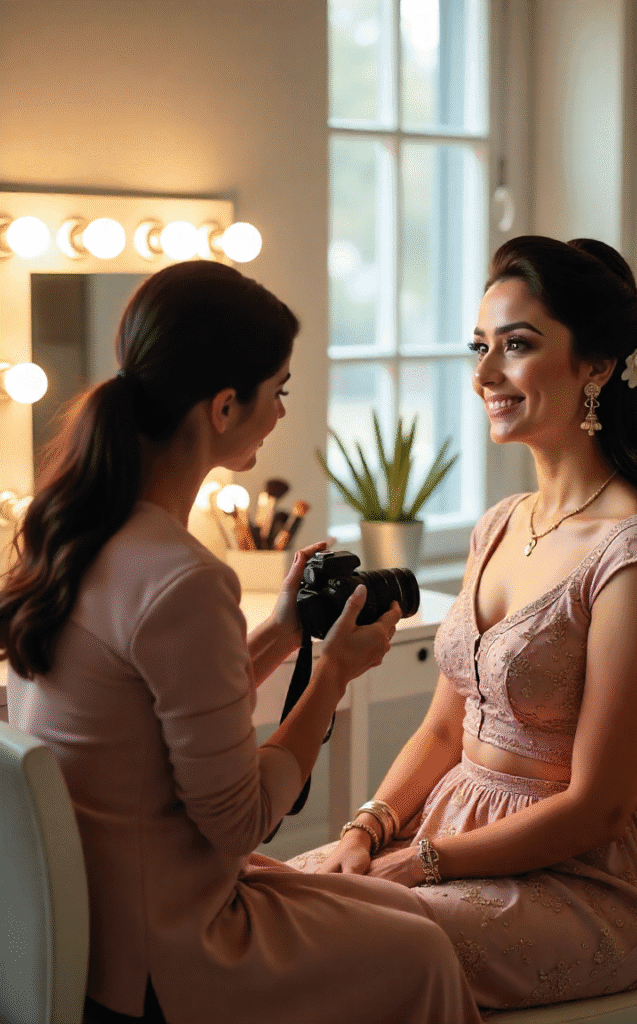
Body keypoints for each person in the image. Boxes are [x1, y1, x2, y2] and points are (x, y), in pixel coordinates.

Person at [0, 261, 483, 1024]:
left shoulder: (71, 532)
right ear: (225, 406)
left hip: (96, 921)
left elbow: (154, 706)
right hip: (163, 949)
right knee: (423, 951)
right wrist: (330, 677)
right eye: (280, 390)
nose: (284, 411)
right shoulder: (184, 579)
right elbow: (240, 818)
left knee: (405, 916)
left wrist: (282, 632)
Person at [291, 236, 637, 1013]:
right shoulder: (501, 524)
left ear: (595, 364)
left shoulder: (635, 559)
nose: (485, 374)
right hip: (451, 836)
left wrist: (419, 864)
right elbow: (440, 730)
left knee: (332, 942)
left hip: (581, 883)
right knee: (270, 901)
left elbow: (598, 809)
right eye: (480, 347)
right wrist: (367, 828)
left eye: (517, 346)